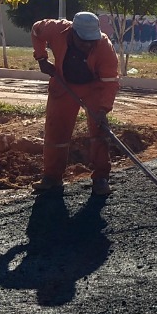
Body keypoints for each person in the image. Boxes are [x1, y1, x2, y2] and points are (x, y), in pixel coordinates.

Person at [31, 11, 121, 195]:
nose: (88, 45)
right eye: (83, 41)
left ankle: (101, 177)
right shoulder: (56, 29)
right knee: (56, 130)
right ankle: (52, 177)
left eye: (91, 41)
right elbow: (35, 31)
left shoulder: (104, 46)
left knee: (99, 131)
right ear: (73, 32)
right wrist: (41, 58)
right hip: (63, 84)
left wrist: (103, 109)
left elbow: (110, 82)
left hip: (93, 88)